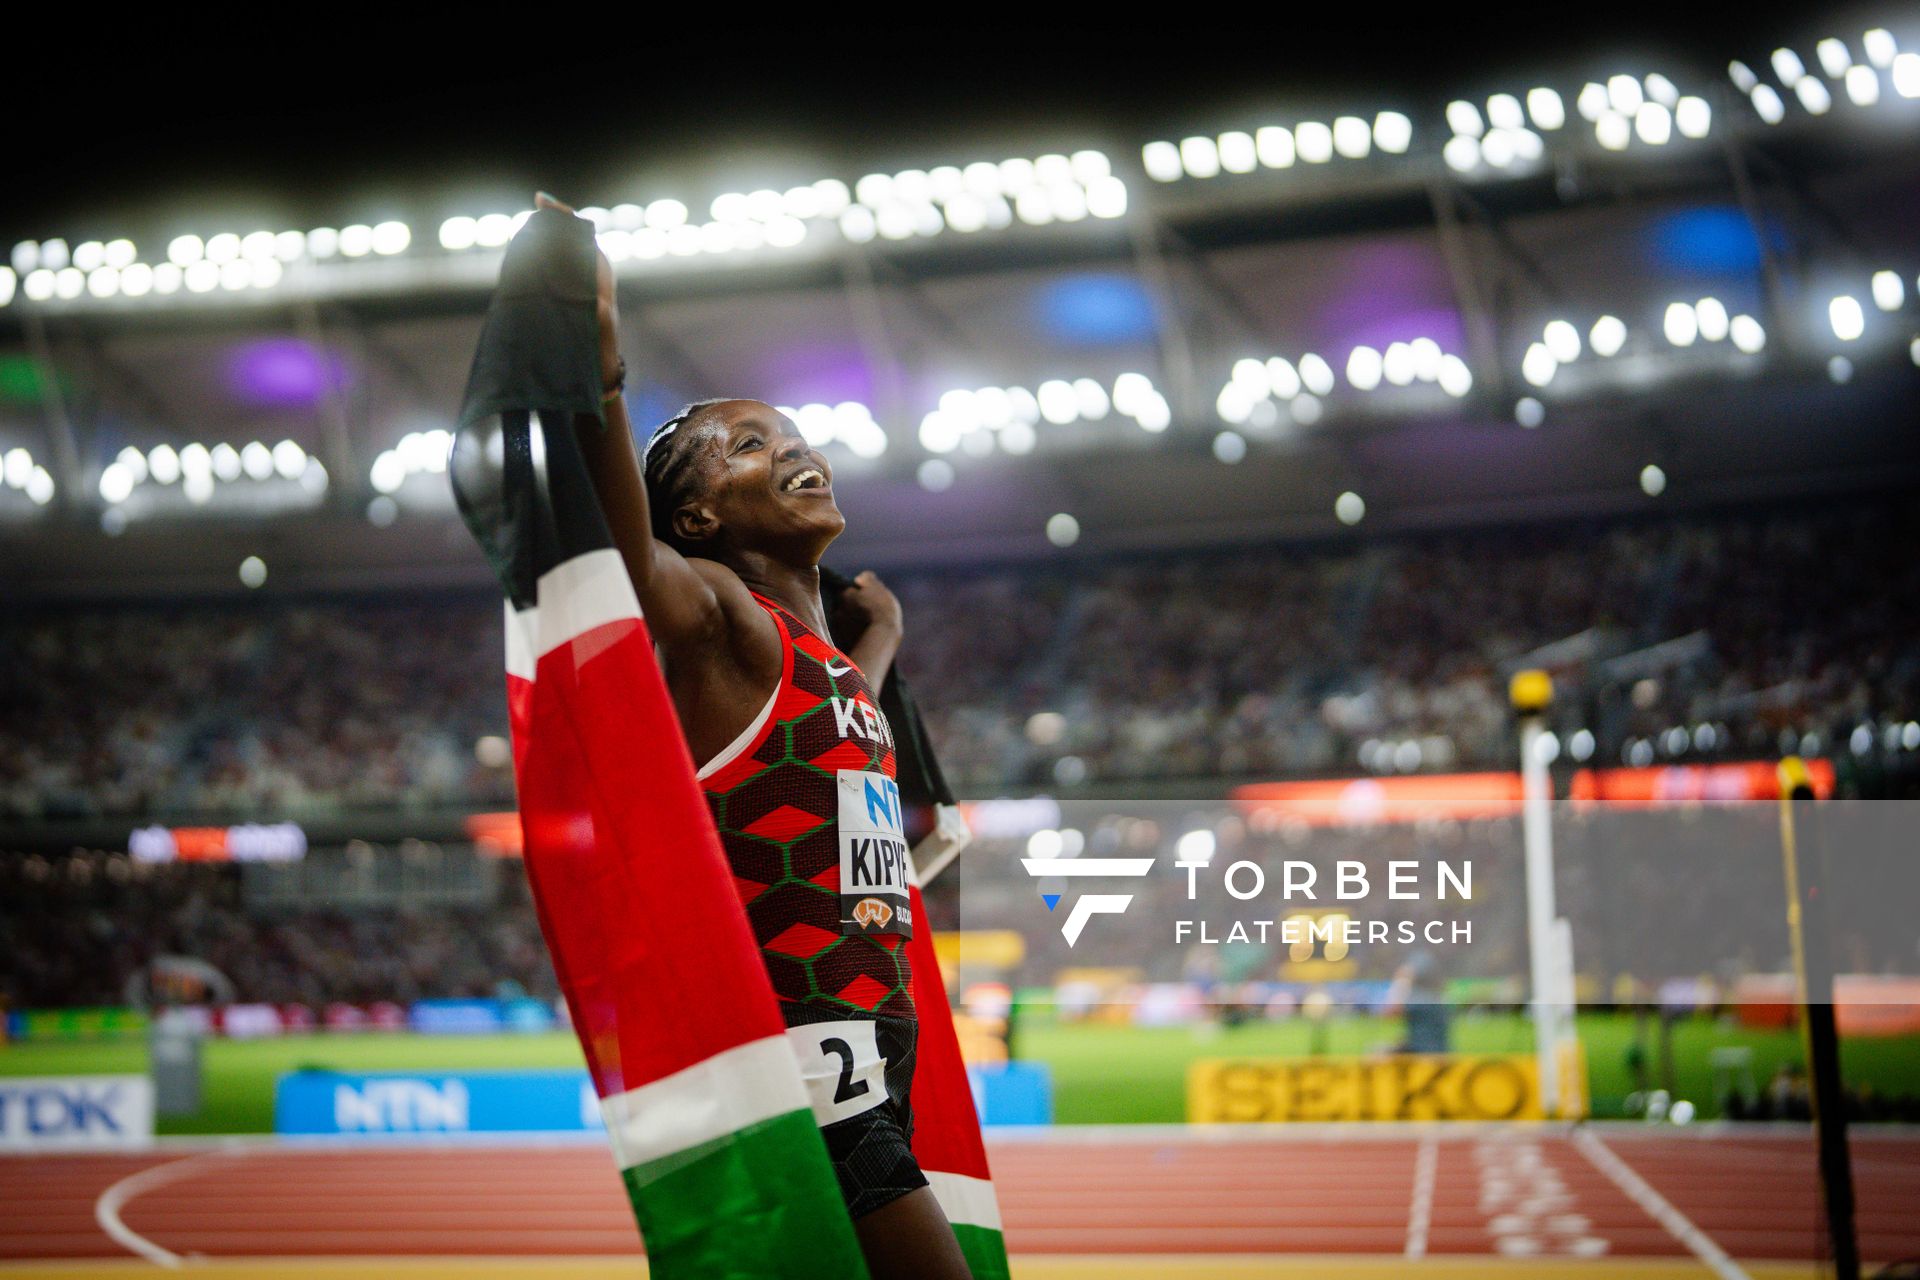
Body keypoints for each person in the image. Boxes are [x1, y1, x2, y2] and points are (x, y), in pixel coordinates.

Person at [539, 194, 972, 1280]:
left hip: (878, 1057)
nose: (791, 448)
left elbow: (838, 725)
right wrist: (599, 364)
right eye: (747, 445)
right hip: (813, 1084)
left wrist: (882, 634)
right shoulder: (719, 621)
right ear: (696, 521)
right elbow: (624, 562)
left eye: (790, 433)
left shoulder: (810, 660)